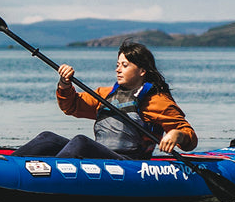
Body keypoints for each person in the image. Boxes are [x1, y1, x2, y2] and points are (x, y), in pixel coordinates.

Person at [12, 41, 198, 160]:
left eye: (125, 65)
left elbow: (189, 136)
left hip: (129, 163)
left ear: (142, 71)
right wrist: (65, 84)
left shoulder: (156, 101)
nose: (118, 69)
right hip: (102, 156)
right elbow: (72, 106)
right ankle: (8, 164)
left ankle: (50, 174)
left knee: (80, 142)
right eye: (117, 65)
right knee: (48, 138)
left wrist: (176, 134)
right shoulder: (105, 94)